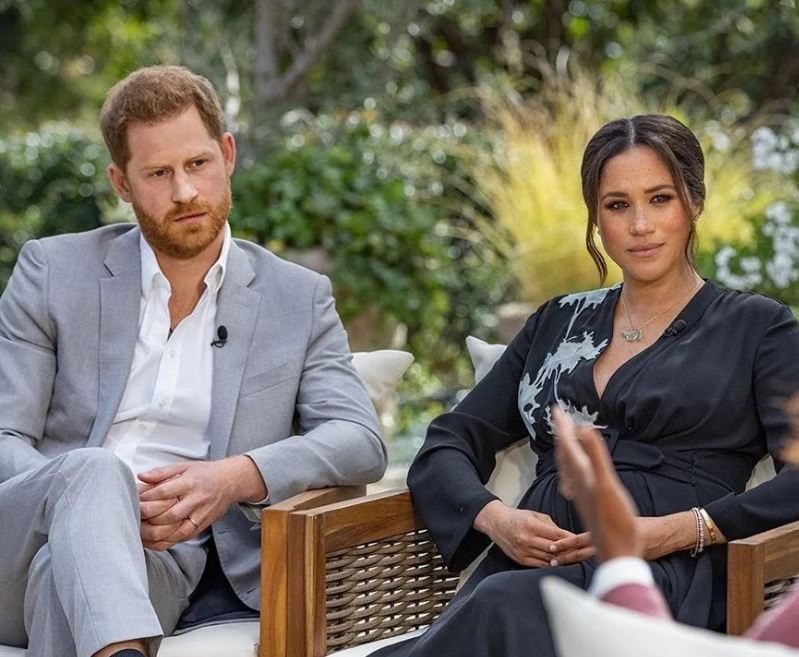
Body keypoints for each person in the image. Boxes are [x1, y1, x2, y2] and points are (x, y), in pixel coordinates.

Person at [371, 114, 799, 657]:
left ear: (694, 202)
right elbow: (449, 442)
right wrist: (497, 519)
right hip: (529, 570)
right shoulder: (556, 323)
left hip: (664, 576)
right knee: (498, 603)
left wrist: (681, 529)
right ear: (596, 218)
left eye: (660, 199)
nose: (640, 225)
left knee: (501, 607)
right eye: (617, 205)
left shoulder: (758, 327)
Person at [0, 65, 386, 657]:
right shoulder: (52, 272)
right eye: (158, 173)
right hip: (17, 545)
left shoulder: (297, 298)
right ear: (121, 182)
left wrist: (233, 477)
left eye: (197, 164)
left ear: (227, 154)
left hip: (159, 562)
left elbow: (360, 439)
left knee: (66, 576)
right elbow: (6, 436)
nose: (184, 192)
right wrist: (93, 504)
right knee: (96, 474)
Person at [553, 406, 799, 648]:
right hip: (562, 557)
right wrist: (522, 518)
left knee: (540, 596)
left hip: (682, 561)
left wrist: (687, 529)